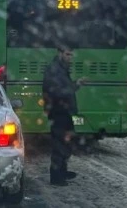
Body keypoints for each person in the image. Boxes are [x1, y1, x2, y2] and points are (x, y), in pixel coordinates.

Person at [42, 45, 88, 186]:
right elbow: (58, 92)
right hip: (58, 112)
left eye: (71, 55)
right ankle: (56, 177)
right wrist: (75, 85)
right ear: (60, 53)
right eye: (67, 54)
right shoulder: (55, 70)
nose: (70, 58)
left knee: (66, 143)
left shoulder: (62, 69)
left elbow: (64, 89)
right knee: (59, 145)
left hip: (65, 112)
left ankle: (62, 171)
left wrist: (76, 84)